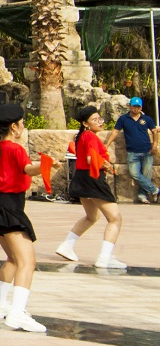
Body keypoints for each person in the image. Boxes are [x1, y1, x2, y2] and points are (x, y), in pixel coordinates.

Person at [0, 103, 46, 332]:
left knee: (14, 259)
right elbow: (28, 169)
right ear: (14, 127)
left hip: (0, 205)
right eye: (22, 123)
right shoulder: (14, 147)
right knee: (27, 262)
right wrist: (45, 164)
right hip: (12, 207)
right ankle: (16, 313)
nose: (23, 127)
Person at [55, 105, 125, 270]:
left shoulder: (82, 136)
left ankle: (67, 246)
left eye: (100, 118)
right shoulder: (91, 137)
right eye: (95, 120)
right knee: (115, 219)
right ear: (86, 123)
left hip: (81, 179)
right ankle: (104, 257)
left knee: (91, 217)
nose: (99, 122)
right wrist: (106, 164)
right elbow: (89, 159)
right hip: (93, 178)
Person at [113, 96, 158, 204]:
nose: (136, 109)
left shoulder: (147, 119)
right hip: (132, 152)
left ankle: (142, 196)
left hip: (147, 151)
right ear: (130, 106)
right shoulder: (123, 119)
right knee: (135, 174)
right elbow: (115, 131)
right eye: (134, 106)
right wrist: (107, 144)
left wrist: (155, 145)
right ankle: (155, 190)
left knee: (146, 175)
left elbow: (154, 131)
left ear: (141, 107)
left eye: (138, 107)